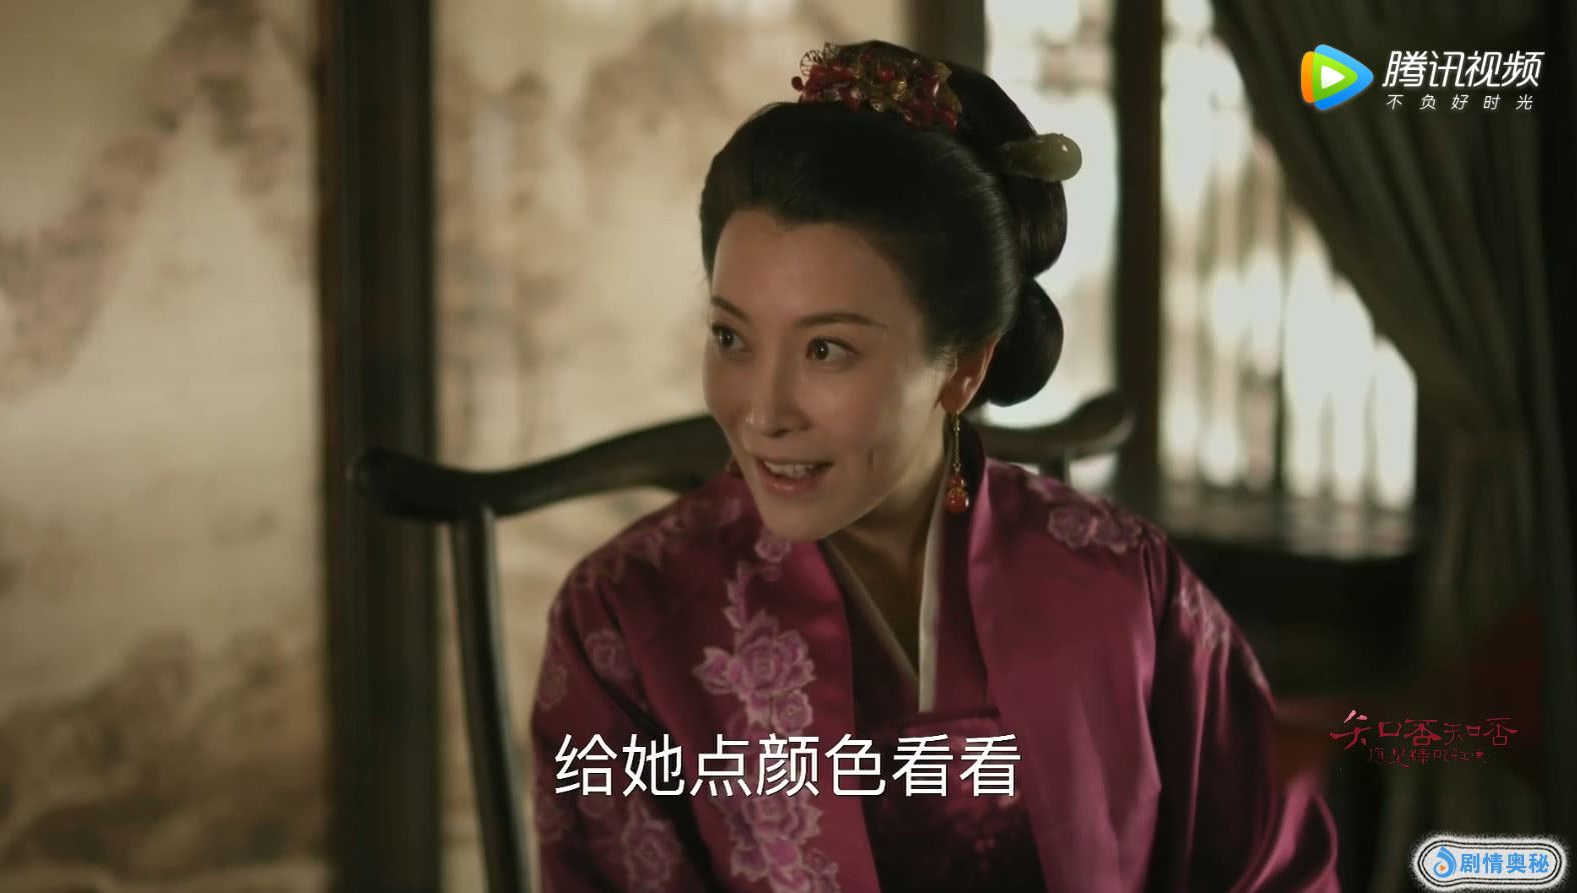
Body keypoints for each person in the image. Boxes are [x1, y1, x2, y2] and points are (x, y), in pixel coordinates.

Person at [528, 40, 1339, 892]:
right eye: (731, 336)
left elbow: (1271, 863)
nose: (762, 411)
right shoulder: (625, 616)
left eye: (827, 349)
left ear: (962, 367)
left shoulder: (1121, 582)